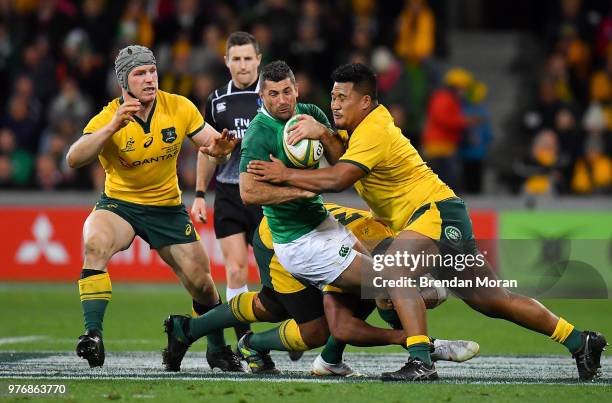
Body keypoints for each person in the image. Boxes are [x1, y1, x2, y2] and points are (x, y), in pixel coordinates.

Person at [246, 63, 608, 382]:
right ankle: (580, 341)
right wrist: (325, 133)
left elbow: (339, 179)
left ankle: (420, 360)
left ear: (366, 102)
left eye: (343, 97)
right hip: (442, 214)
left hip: (432, 213)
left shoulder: (374, 129)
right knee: (493, 299)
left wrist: (284, 174)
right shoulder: (359, 129)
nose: (335, 104)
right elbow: (341, 158)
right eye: (333, 97)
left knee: (394, 270)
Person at [65, 45, 242, 372]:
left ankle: (217, 350)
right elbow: (74, 158)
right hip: (120, 205)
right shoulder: (109, 117)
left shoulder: (178, 106)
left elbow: (214, 145)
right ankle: (93, 335)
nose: (149, 79)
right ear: (124, 83)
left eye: (152, 71)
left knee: (203, 284)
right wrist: (111, 128)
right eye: (139, 74)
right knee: (94, 243)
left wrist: (220, 150)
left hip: (166, 208)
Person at [162, 203, 480, 374]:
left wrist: (415, 337)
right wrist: (414, 341)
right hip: (282, 241)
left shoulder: (385, 263)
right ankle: (250, 343)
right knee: (314, 328)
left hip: (304, 237)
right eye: (399, 310)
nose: (401, 313)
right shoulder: (364, 266)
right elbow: (341, 328)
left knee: (271, 306)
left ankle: (188, 329)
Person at [191, 32, 263, 341]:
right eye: (237, 59)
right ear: (227, 62)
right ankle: (245, 340)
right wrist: (197, 194)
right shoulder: (217, 101)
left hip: (266, 193)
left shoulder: (274, 96)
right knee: (235, 271)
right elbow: (207, 149)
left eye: (248, 58)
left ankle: (296, 330)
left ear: (259, 60)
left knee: (280, 273)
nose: (243, 65)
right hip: (229, 193)